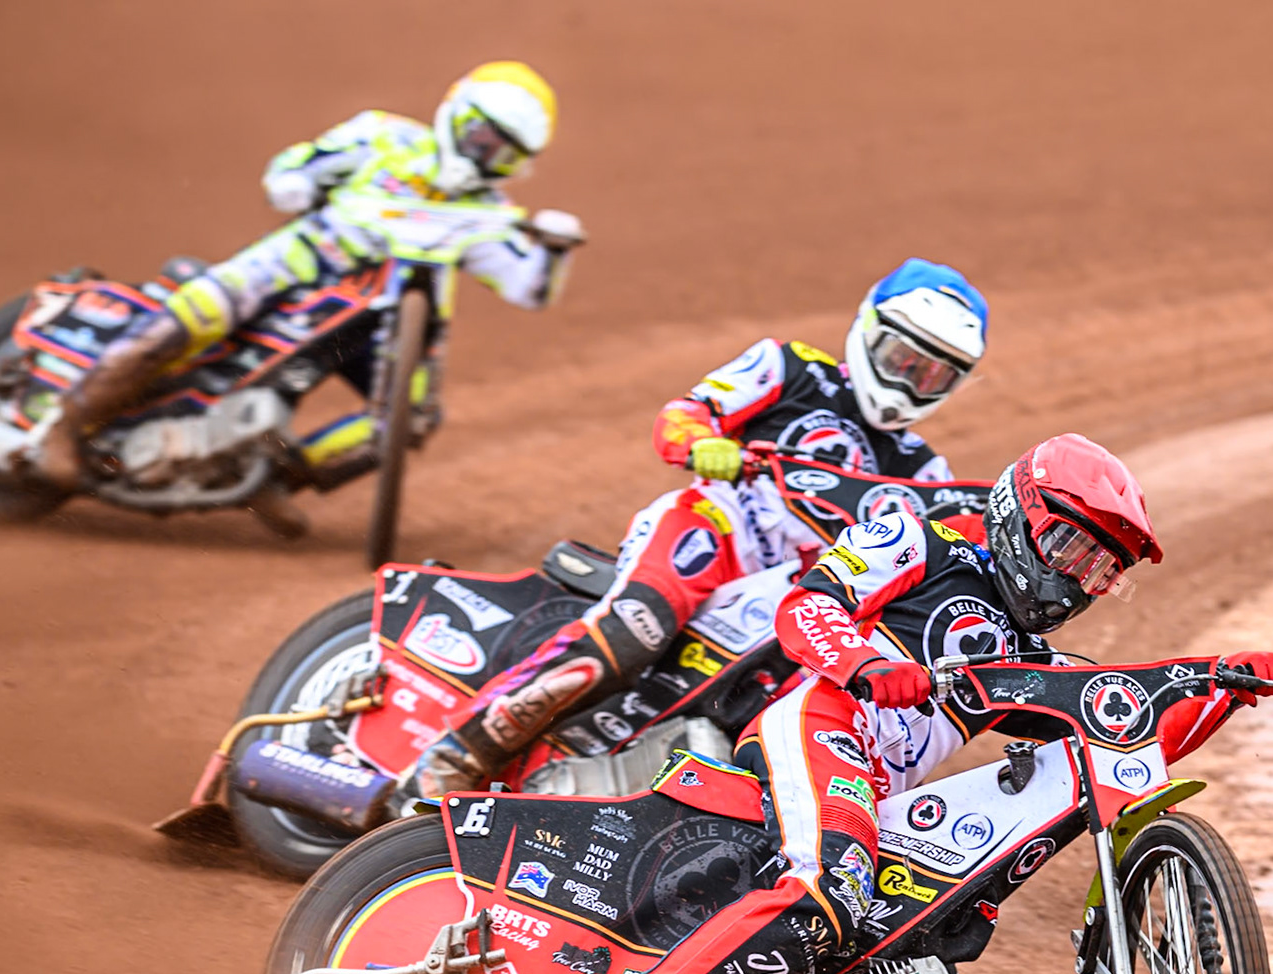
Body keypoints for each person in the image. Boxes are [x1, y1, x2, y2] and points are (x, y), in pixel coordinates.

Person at [566, 431, 1273, 974]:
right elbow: (809, 606)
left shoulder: (1027, 660)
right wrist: (866, 664)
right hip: (821, 722)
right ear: (1018, 515)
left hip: (872, 786)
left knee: (913, 934)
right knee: (834, 886)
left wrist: (1221, 684)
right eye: (1069, 548)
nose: (1074, 582)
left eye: (1098, 571)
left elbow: (1122, 725)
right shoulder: (921, 540)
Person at [399, 257, 992, 800]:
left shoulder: (925, 472)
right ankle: (455, 754)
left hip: (795, 592)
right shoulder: (789, 367)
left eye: (933, 375)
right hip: (714, 528)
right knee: (636, 627)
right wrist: (703, 443)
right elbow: (685, 414)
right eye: (902, 358)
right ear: (868, 329)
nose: (909, 380)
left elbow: (930, 556)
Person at [31, 61, 585, 532]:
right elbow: (294, 168)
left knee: (410, 418)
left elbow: (527, 288)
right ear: (457, 115)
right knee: (186, 324)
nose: (487, 154)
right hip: (292, 268)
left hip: (376, 322)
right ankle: (64, 425)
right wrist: (298, 180)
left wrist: (556, 250)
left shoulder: (490, 216)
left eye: (504, 152)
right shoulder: (383, 138)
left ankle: (274, 478)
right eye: (484, 137)